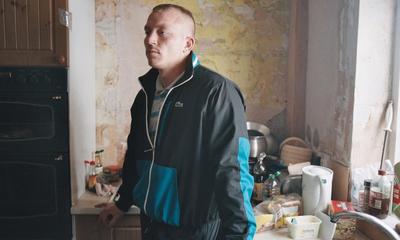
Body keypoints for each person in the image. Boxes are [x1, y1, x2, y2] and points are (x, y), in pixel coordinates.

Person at [99, 3, 256, 240]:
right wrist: (122, 202)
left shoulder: (217, 92)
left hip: (195, 230)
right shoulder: (145, 95)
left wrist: (239, 234)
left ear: (187, 44)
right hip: (151, 225)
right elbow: (136, 158)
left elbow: (232, 171)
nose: (150, 39)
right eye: (147, 30)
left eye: (162, 32)